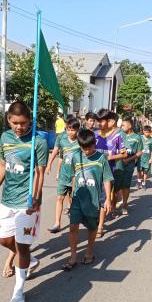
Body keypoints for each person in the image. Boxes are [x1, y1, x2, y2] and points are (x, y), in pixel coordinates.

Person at [0, 101, 48, 302]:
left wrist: (35, 198)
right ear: (8, 120)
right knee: (4, 240)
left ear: (29, 120)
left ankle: (18, 291)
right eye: (15, 123)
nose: (19, 127)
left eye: (23, 123)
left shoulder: (38, 142)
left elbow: (40, 172)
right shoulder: (5, 137)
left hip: (26, 200)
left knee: (22, 245)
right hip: (8, 199)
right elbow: (3, 165)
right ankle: (30, 260)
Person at [62, 129, 113, 270]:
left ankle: (89, 250)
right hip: (78, 199)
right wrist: (71, 196)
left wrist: (108, 199)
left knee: (92, 227)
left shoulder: (101, 158)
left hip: (93, 200)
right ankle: (73, 256)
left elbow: (107, 179)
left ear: (94, 144)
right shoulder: (75, 157)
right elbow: (73, 176)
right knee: (73, 227)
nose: (87, 151)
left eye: (90, 147)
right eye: (84, 148)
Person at [95, 109, 127, 237]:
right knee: (94, 199)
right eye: (98, 121)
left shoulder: (117, 136)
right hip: (93, 173)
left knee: (103, 199)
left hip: (108, 174)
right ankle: (96, 219)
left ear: (109, 121)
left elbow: (124, 154)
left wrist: (110, 157)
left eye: (102, 121)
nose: (99, 123)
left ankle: (100, 226)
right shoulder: (94, 135)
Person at [46, 117, 81, 233]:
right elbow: (58, 154)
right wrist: (50, 165)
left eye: (73, 130)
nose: (71, 132)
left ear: (77, 130)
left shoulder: (81, 141)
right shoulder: (62, 139)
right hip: (63, 175)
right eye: (69, 129)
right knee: (59, 198)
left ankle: (74, 220)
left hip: (75, 176)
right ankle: (57, 223)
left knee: (72, 199)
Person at [115, 116, 143, 215]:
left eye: (123, 125)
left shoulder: (137, 137)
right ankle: (115, 204)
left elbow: (140, 152)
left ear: (130, 125)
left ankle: (125, 205)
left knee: (126, 186)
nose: (121, 126)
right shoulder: (119, 133)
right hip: (117, 164)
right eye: (121, 125)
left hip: (129, 165)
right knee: (116, 185)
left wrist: (130, 160)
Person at [137, 125, 152, 190]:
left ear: (150, 132)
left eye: (148, 132)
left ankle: (144, 183)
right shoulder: (140, 137)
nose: (147, 133)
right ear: (143, 131)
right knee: (139, 171)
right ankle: (139, 181)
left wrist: (151, 158)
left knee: (145, 172)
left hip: (147, 158)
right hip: (140, 157)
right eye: (145, 132)